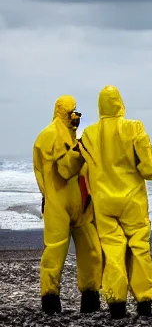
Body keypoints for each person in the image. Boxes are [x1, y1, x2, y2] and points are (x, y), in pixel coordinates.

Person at [79, 86, 152, 320]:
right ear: (120, 103)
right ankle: (144, 301)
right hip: (132, 199)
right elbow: (147, 166)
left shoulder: (89, 133)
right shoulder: (134, 128)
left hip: (103, 201)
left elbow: (82, 164)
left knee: (113, 250)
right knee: (139, 247)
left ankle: (116, 302)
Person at [33, 95, 102, 315]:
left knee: (92, 251)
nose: (77, 116)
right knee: (54, 253)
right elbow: (63, 170)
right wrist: (80, 151)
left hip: (81, 203)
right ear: (65, 112)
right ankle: (50, 300)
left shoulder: (71, 137)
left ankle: (91, 298)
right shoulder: (49, 136)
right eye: (73, 111)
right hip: (58, 203)